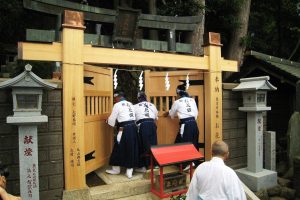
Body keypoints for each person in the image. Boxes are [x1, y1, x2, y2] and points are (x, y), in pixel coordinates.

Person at [106, 92, 139, 179]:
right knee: (131, 148)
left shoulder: (117, 105)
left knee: (118, 147)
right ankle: (129, 171)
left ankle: (116, 169)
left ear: (119, 97)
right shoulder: (131, 104)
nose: (114, 100)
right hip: (133, 128)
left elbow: (112, 119)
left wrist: (107, 121)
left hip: (124, 128)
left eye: (115, 98)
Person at [166, 84, 199, 169]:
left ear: (178, 93)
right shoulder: (192, 100)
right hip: (194, 124)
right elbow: (196, 114)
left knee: (184, 144)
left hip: (186, 125)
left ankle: (187, 163)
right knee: (193, 143)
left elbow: (172, 114)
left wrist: (168, 113)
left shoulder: (177, 102)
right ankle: (192, 162)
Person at [133, 91, 158, 172]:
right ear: (146, 97)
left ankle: (144, 166)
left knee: (143, 145)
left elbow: (133, 119)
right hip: (152, 124)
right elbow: (156, 117)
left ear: (138, 98)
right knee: (153, 144)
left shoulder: (135, 106)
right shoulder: (152, 105)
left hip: (143, 125)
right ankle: (154, 164)